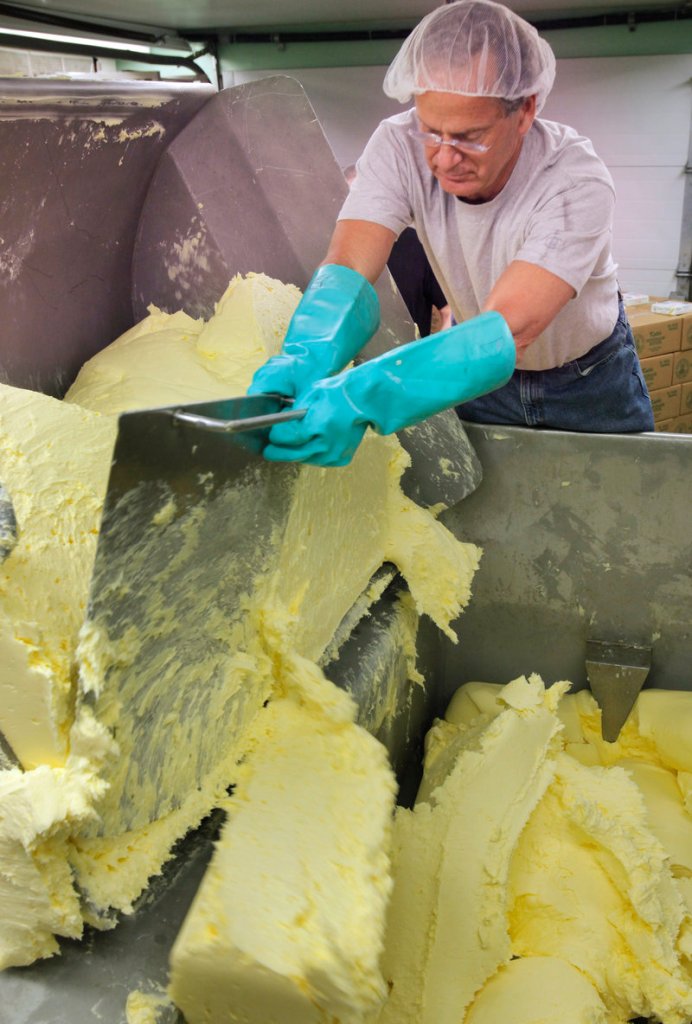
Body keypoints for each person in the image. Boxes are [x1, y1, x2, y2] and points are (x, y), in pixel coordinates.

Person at [249, 0, 653, 467]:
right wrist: (307, 353)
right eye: (430, 129)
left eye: (469, 136)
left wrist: (367, 397)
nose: (443, 158)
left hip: (587, 382)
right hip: (472, 373)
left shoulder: (574, 180)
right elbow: (349, 264)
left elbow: (511, 327)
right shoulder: (397, 145)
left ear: (525, 111)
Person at [345, 162, 451, 338]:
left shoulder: (417, 243)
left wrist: (436, 353)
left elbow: (449, 310)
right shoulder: (333, 251)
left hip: (413, 359)